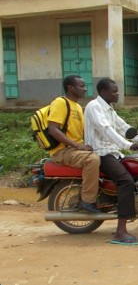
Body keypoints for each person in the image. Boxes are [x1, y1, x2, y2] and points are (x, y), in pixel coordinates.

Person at [84, 77, 138, 245]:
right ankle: (120, 232)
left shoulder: (109, 109)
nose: (117, 94)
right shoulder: (94, 107)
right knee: (126, 182)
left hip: (113, 152)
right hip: (101, 153)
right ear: (103, 92)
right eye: (114, 91)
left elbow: (123, 127)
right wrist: (128, 145)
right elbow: (106, 130)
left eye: (117, 90)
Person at [48, 75, 101, 213]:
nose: (85, 89)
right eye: (81, 86)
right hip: (63, 151)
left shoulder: (77, 106)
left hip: (74, 150)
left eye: (85, 86)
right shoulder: (60, 103)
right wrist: (77, 146)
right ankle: (87, 201)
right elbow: (53, 130)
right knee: (92, 159)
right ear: (70, 88)